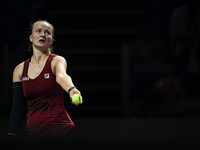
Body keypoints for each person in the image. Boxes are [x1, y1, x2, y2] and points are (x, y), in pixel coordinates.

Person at [7, 20, 82, 141]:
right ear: (31, 38)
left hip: (60, 131)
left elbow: (62, 76)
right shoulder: (19, 69)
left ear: (51, 40)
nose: (42, 34)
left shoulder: (57, 61)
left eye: (47, 32)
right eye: (38, 31)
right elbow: (17, 106)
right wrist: (11, 133)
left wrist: (71, 89)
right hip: (33, 133)